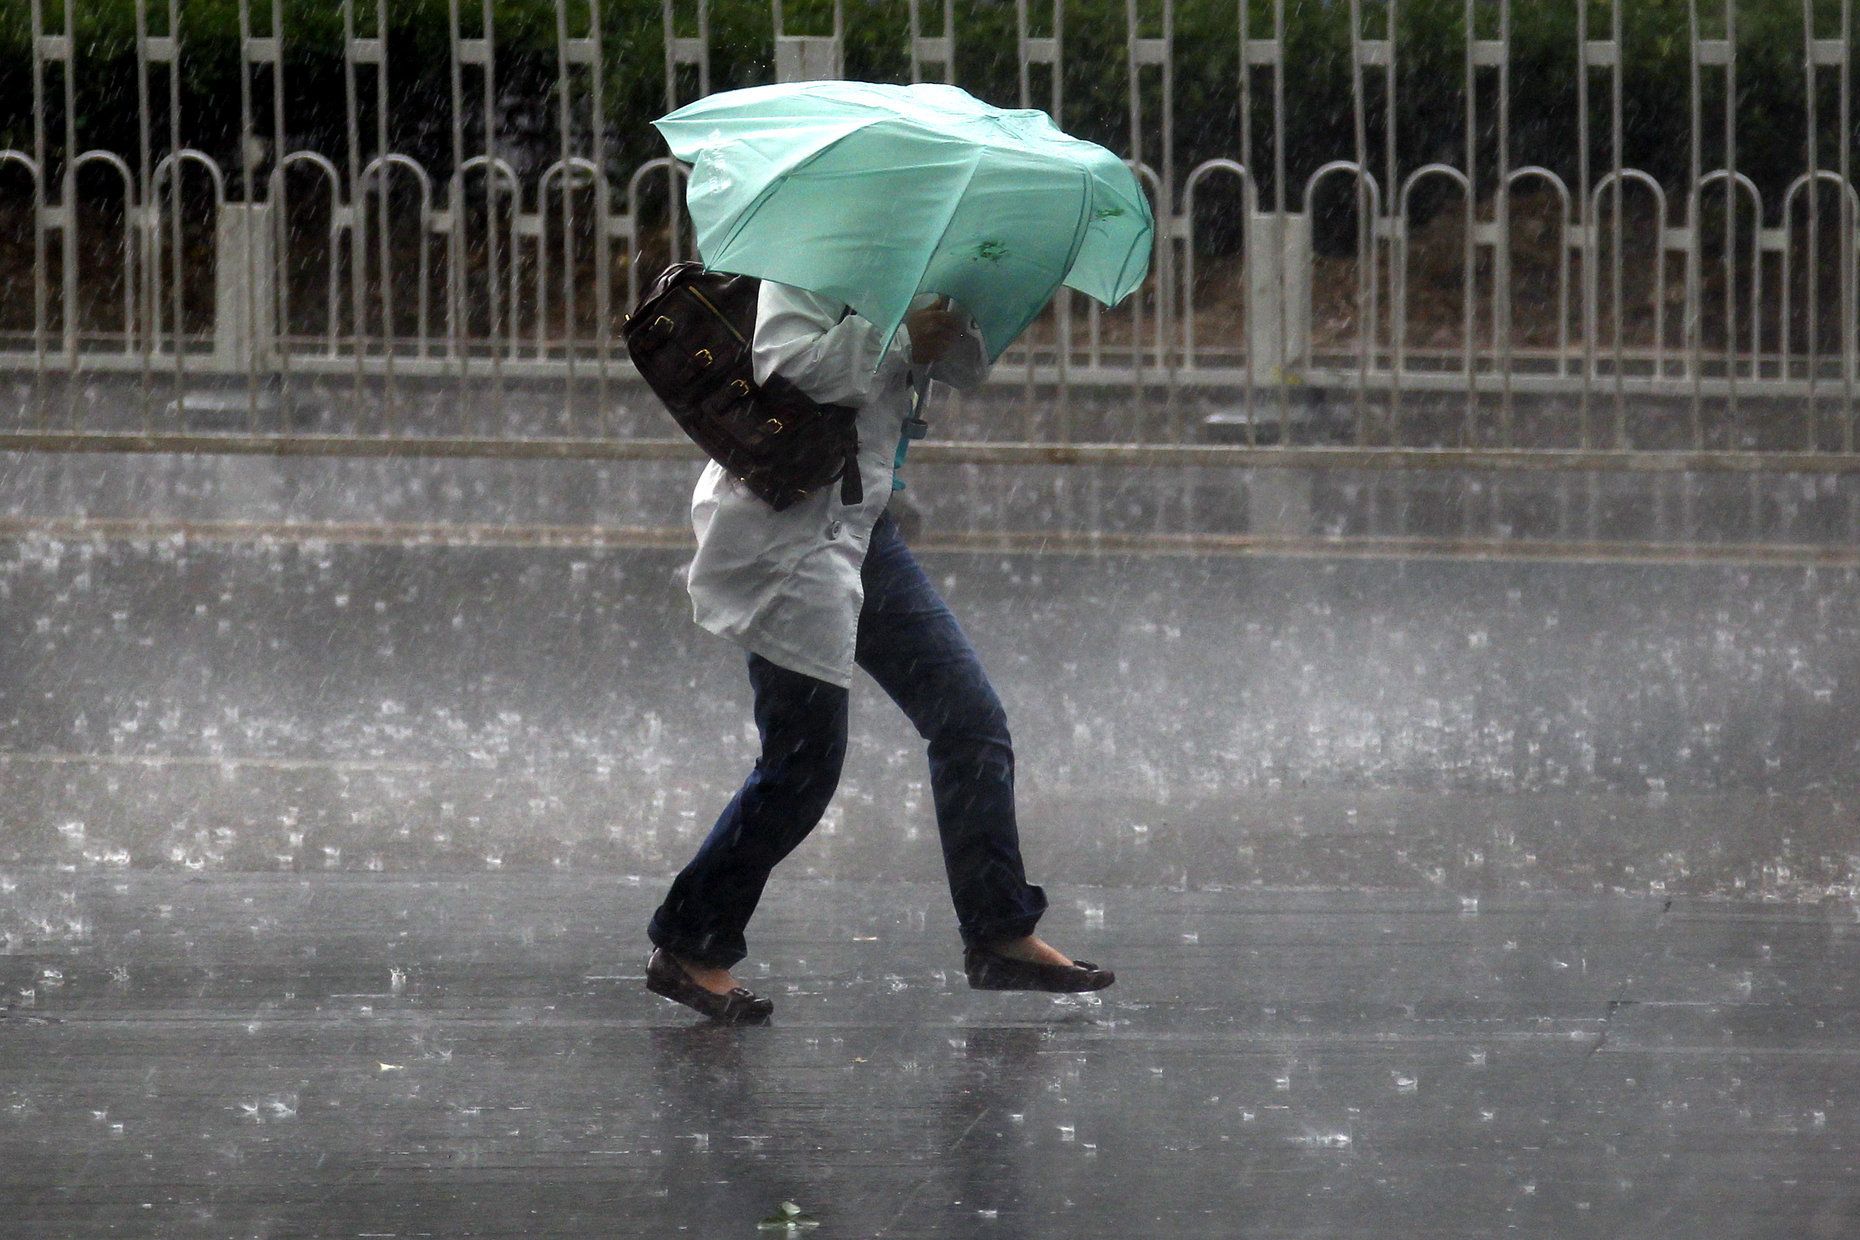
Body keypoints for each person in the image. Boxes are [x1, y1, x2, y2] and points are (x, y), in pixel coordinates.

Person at [645, 280, 1115, 1023]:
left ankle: (999, 931)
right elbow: (783, 366)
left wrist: (949, 321)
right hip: (790, 528)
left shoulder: (916, 252)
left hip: (864, 530)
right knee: (801, 765)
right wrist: (897, 339)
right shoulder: (808, 252)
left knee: (968, 720)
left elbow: (961, 370)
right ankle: (689, 942)